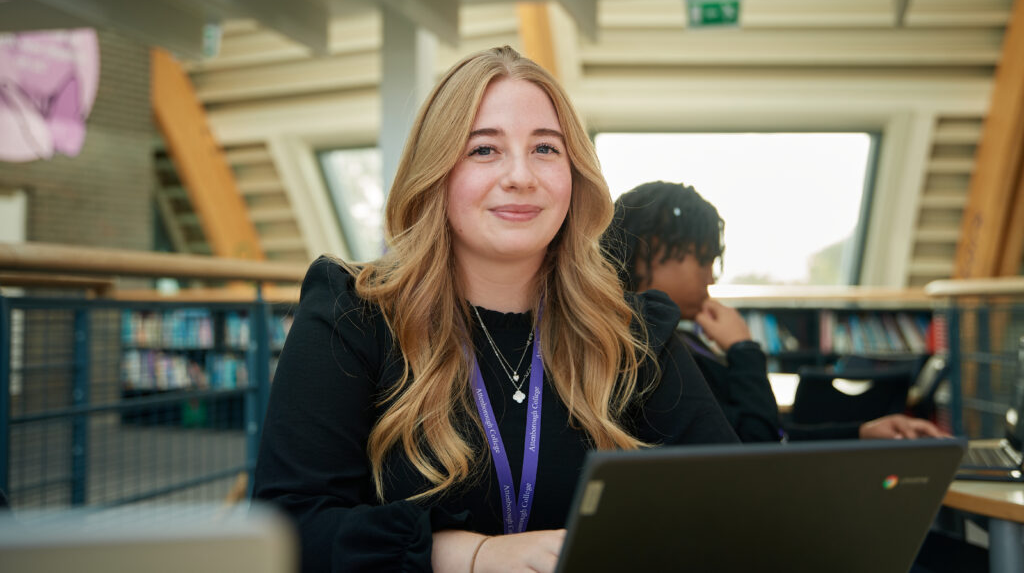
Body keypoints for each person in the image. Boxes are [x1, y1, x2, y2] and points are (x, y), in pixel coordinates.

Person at [253, 48, 738, 573]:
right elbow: (287, 527)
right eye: (484, 150)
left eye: (546, 150)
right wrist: (468, 554)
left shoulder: (634, 331)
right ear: (436, 170)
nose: (521, 176)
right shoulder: (354, 315)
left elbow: (731, 502)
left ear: (574, 175)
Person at [600, 180, 947, 443]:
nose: (711, 275)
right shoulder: (646, 351)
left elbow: (768, 435)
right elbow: (756, 445)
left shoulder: (681, 339)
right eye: (703, 260)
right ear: (649, 250)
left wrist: (859, 433)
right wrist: (743, 350)